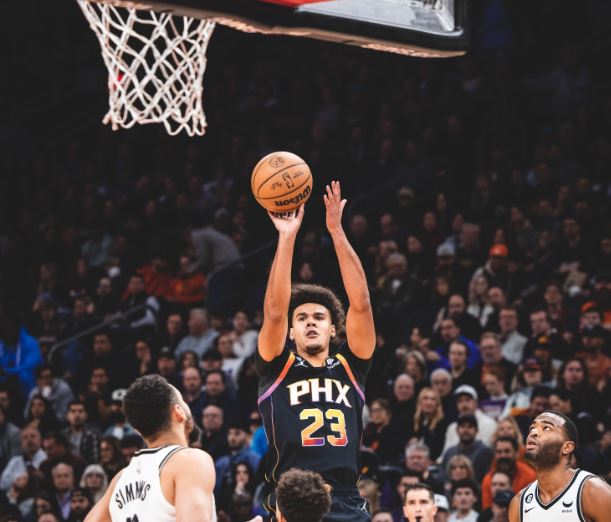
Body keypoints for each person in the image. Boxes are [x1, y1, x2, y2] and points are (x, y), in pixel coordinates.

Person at [255, 182, 375, 521]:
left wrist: (336, 232)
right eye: (302, 318)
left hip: (345, 498)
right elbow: (274, 312)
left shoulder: (351, 366)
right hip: (292, 497)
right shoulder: (276, 367)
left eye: (319, 317)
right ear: (290, 331)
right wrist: (287, 236)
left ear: (333, 329)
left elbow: (361, 304)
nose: (310, 321)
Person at [84, 374, 216, 522]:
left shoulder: (121, 479)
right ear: (178, 411)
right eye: (183, 400)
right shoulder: (190, 461)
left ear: (137, 430)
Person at [508, 411, 611, 521]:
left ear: (567, 447)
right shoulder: (518, 503)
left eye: (546, 428)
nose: (533, 432)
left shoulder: (593, 491)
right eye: (532, 428)